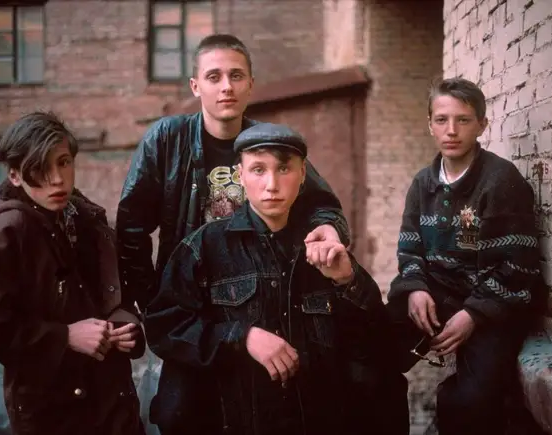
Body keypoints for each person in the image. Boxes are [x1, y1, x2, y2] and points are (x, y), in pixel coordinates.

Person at [115, 34, 351, 433]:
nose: (227, 86)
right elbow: (131, 227)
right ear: (196, 86)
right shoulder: (168, 139)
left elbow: (323, 205)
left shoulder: (266, 145)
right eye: (214, 76)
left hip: (253, 304)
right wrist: (154, 299)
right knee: (182, 414)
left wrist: (328, 228)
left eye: (236, 76)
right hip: (192, 306)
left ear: (251, 84)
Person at [144, 122, 409, 435]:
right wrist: (240, 337)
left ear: (302, 175)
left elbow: (377, 343)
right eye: (258, 169)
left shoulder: (323, 249)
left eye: (284, 169)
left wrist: (347, 280)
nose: (272, 184)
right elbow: (163, 328)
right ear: (240, 175)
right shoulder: (204, 248)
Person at [0, 112, 146, 435]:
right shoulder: (9, 231)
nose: (57, 179)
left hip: (114, 406)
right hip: (54, 414)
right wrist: (64, 337)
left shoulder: (85, 218)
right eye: (39, 168)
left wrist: (125, 326)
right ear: (15, 175)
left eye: (63, 162)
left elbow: (112, 293)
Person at [386, 77, 543, 435]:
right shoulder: (423, 183)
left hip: (492, 304)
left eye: (463, 120)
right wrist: (415, 288)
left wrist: (473, 315)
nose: (451, 130)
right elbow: (409, 248)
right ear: (430, 125)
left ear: (482, 125)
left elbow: (518, 267)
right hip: (437, 292)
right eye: (442, 120)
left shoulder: (501, 181)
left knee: (471, 402)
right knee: (370, 357)